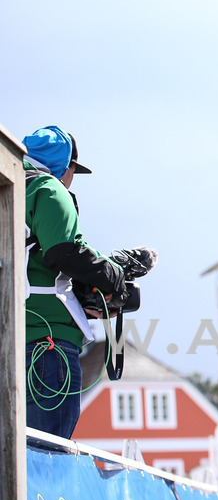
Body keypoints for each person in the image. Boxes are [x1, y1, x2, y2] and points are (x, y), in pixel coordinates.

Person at [23, 126, 127, 439]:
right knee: (48, 454)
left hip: (15, 337)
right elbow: (64, 252)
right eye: (72, 171)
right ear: (64, 168)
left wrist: (83, 296)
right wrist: (113, 277)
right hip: (48, 342)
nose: (70, 179)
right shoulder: (49, 189)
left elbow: (33, 262)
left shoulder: (12, 189)